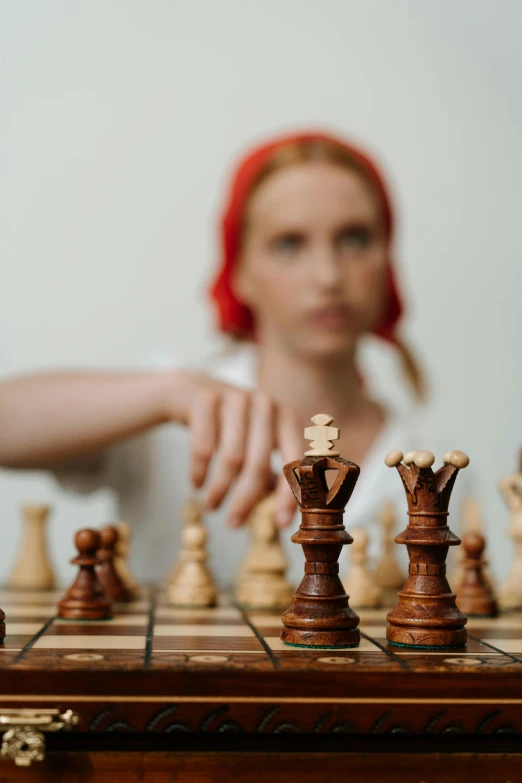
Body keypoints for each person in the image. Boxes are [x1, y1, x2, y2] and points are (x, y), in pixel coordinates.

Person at [0, 131, 439, 585]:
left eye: (355, 238)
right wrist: (169, 393)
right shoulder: (168, 419)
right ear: (240, 271)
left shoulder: (432, 461)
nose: (328, 275)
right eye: (289, 243)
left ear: (387, 260)